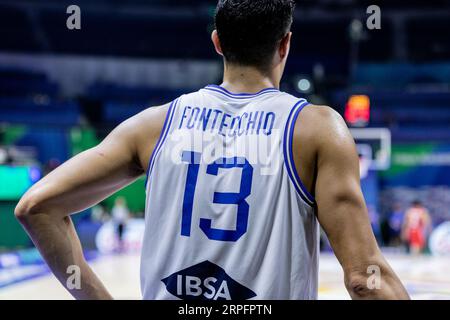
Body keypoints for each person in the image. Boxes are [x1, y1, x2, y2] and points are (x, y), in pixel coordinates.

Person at [14, 0, 409, 300]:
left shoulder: (154, 125)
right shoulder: (316, 130)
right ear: (285, 44)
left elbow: (36, 208)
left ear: (217, 41)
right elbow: (364, 279)